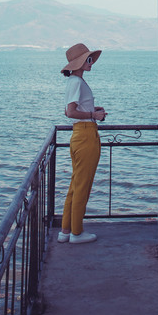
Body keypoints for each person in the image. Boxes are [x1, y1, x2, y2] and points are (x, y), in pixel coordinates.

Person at [57, 43, 106, 244]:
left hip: (80, 134)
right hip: (86, 136)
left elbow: (70, 109)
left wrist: (92, 109)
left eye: (91, 59)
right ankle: (77, 233)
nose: (91, 62)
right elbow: (70, 112)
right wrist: (94, 115)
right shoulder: (77, 82)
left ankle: (66, 231)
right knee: (82, 185)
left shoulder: (74, 83)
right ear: (78, 63)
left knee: (75, 184)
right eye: (88, 59)